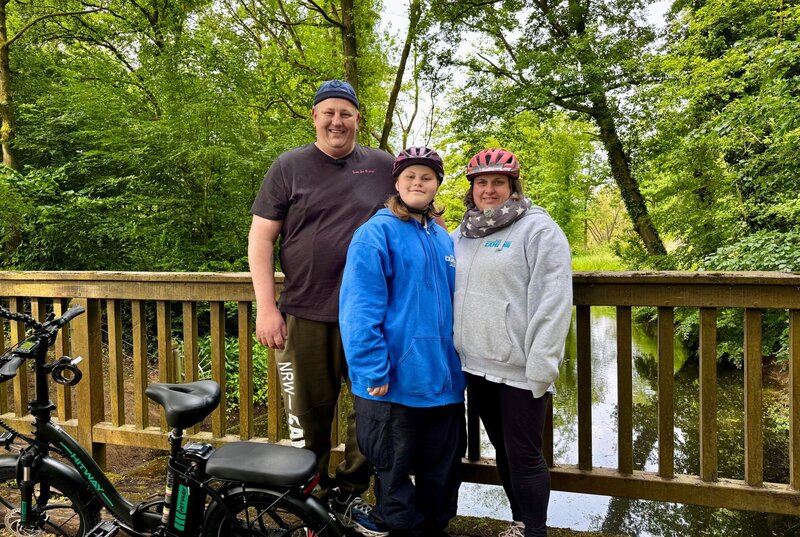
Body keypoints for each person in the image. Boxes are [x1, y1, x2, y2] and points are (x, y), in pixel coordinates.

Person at [248, 80, 396, 524]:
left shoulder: (385, 165)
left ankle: (349, 493)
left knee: (372, 413)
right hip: (305, 314)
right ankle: (308, 498)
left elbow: (424, 214)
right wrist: (267, 307)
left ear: (357, 117)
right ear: (314, 117)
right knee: (307, 418)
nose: (337, 120)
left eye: (346, 112)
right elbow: (261, 238)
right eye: (328, 112)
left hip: (372, 318)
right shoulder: (289, 166)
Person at [339, 147, 467, 537]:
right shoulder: (375, 233)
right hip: (392, 384)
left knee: (442, 478)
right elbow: (359, 309)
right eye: (410, 176)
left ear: (437, 185)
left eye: (427, 177)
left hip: (442, 384)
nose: (418, 183)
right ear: (396, 183)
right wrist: (371, 368)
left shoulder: (444, 240)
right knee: (393, 480)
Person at [451, 148, 572, 537]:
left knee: (524, 455)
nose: (489, 189)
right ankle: (520, 524)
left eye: (498, 182)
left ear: (513, 186)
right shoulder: (463, 232)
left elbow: (553, 300)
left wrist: (542, 365)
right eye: (481, 182)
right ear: (472, 190)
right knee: (503, 452)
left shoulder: (538, 229)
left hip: (521, 368)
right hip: (475, 363)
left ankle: (535, 531)